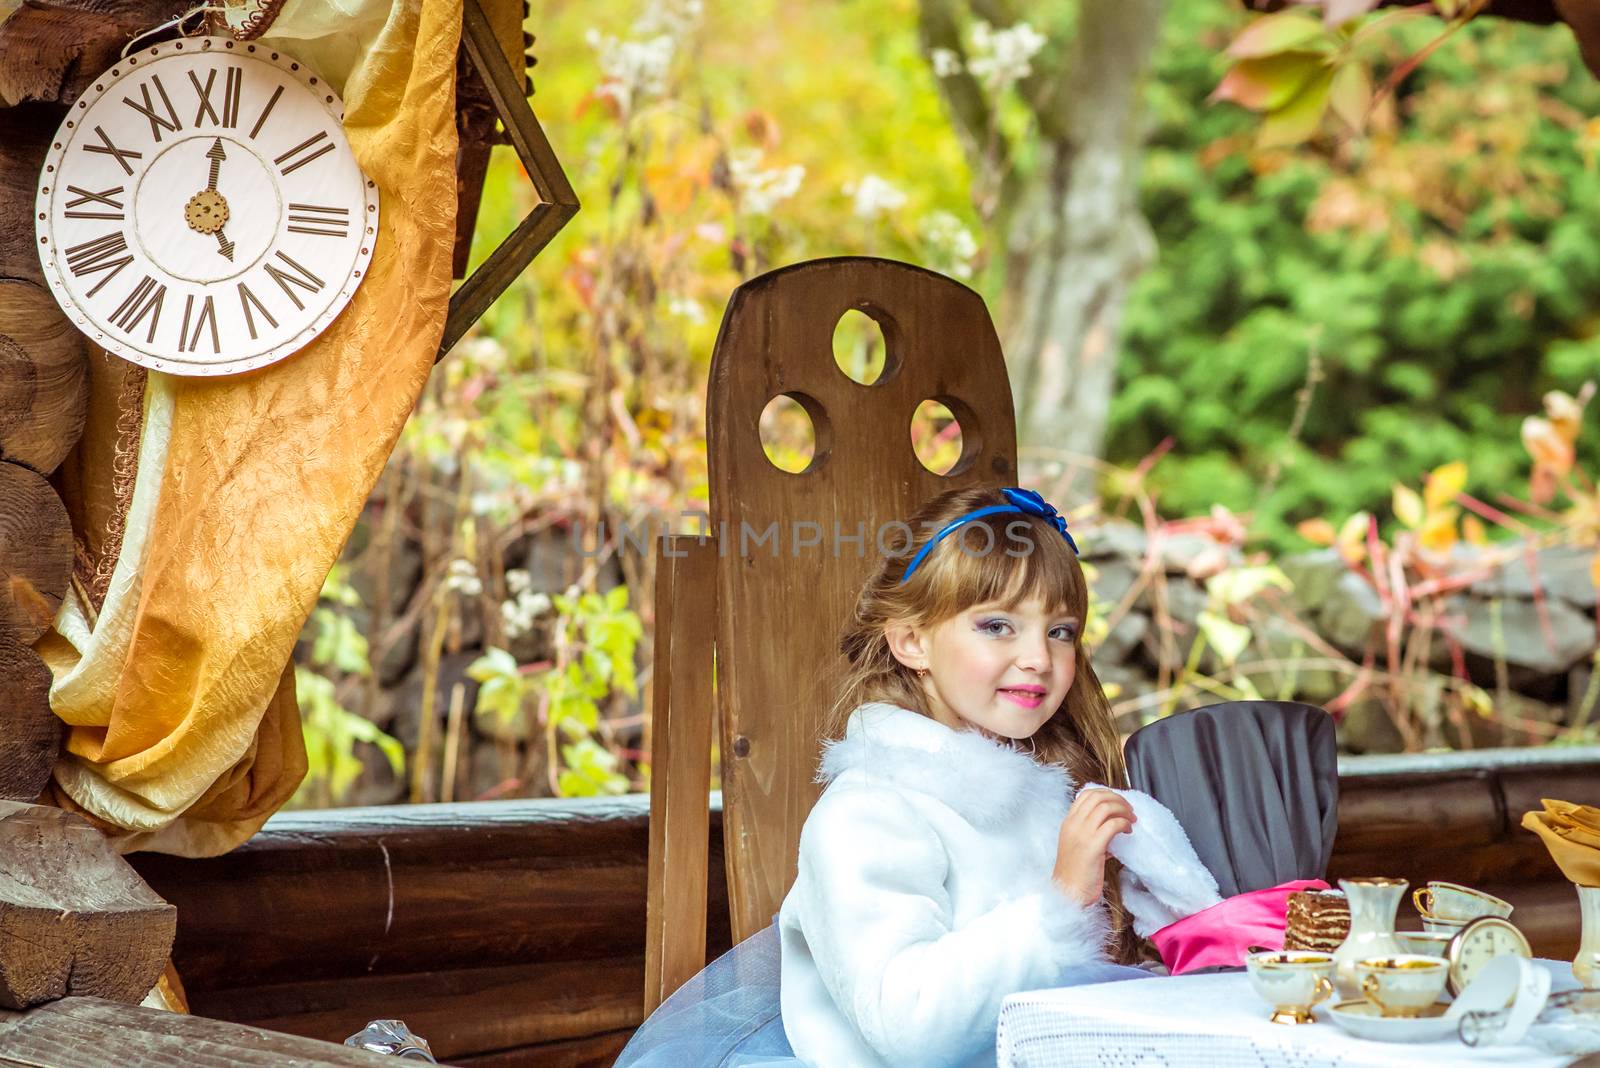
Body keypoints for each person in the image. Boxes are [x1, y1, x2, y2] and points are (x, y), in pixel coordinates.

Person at [614, 485, 1219, 1068]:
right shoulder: (868, 815)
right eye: (997, 625)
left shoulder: (1047, 798)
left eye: (1060, 631)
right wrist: (1060, 900)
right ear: (911, 642)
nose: (1040, 656)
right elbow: (907, 1029)